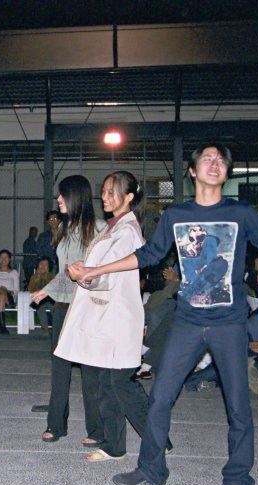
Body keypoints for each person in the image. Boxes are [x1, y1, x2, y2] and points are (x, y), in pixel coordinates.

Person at [72, 143, 258, 485]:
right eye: (207, 159)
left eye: (221, 161)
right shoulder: (177, 215)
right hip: (187, 320)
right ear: (193, 170)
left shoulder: (241, 214)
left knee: (237, 405)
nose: (214, 164)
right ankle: (151, 468)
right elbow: (148, 255)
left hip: (229, 324)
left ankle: (237, 478)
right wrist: (94, 270)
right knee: (160, 398)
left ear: (226, 173)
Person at [56, 171, 171, 462]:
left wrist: (85, 275)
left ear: (129, 197)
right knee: (114, 383)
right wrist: (88, 269)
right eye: (104, 191)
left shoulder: (127, 231)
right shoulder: (114, 227)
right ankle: (126, 443)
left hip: (118, 318)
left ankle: (135, 443)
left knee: (119, 384)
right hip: (109, 316)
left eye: (112, 192)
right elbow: (106, 270)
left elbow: (113, 277)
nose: (105, 197)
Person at [30, 175, 105, 442]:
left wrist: (86, 275)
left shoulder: (99, 228)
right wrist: (46, 290)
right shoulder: (65, 228)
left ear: (75, 196)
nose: (58, 200)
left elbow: (102, 272)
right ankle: (56, 424)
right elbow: (66, 272)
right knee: (59, 368)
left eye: (62, 195)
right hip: (62, 306)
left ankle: (96, 429)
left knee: (90, 372)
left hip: (86, 306)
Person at [27, 257, 55, 331]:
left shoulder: (53, 276)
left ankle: (57, 328)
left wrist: (45, 278)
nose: (43, 266)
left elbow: (53, 289)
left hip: (51, 299)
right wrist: (38, 279)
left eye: (45, 264)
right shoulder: (34, 277)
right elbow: (30, 289)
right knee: (40, 307)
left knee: (55, 308)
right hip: (39, 300)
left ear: (49, 267)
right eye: (41, 264)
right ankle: (45, 329)